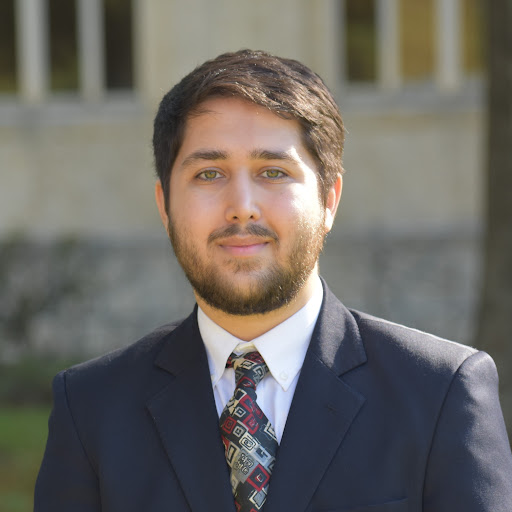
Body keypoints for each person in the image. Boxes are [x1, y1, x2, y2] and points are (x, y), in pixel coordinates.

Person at [35, 49, 512, 512]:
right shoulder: (91, 409)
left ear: (329, 199)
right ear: (165, 206)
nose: (242, 207)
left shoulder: (439, 394)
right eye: (209, 173)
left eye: (273, 172)